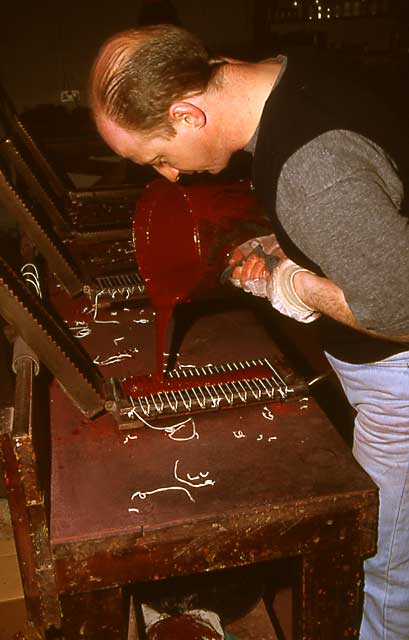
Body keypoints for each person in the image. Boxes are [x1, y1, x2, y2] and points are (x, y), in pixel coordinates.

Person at [88, 25, 409, 639]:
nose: (171, 177)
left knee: (382, 562)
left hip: (400, 378)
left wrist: (293, 284)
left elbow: (399, 309)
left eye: (158, 156)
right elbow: (359, 205)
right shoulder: (288, 74)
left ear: (186, 111)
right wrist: (298, 244)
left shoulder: (311, 168)